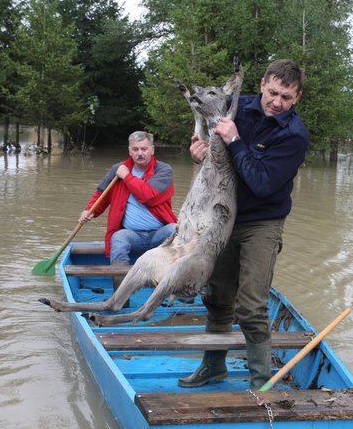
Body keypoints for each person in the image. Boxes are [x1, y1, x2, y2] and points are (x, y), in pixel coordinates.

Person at [179, 59, 309, 390]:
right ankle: (214, 367)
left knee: (251, 305)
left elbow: (262, 183)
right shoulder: (235, 108)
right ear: (263, 83)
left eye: (287, 98)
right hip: (222, 216)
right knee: (218, 295)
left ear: (297, 98)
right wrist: (201, 154)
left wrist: (235, 141)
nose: (277, 103)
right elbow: (216, 158)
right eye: (273, 92)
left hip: (262, 221)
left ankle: (260, 383)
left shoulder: (294, 136)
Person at [80, 131, 178, 296]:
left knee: (176, 230)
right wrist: (89, 211)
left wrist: (126, 176)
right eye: (135, 149)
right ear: (129, 151)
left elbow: (148, 195)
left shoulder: (164, 170)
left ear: (152, 150)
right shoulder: (117, 170)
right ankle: (121, 296)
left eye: (144, 149)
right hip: (133, 235)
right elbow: (101, 195)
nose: (140, 153)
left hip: (159, 235)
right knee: (118, 238)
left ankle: (181, 292)